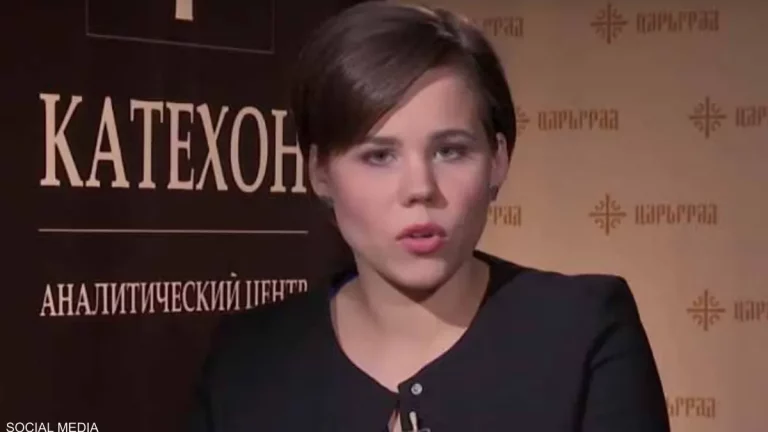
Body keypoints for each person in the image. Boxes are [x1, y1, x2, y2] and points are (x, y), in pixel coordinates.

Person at [186, 2, 670, 431]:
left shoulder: (583, 329)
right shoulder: (246, 359)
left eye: (450, 151)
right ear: (320, 173)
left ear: (498, 160)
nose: (420, 189)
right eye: (379, 156)